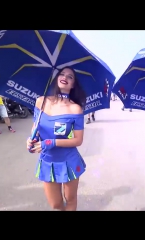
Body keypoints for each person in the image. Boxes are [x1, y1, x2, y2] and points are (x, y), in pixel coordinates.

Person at [27, 66, 86, 211]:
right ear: (56, 79)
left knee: (70, 200)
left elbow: (78, 140)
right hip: (47, 161)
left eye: (70, 76)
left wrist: (50, 142)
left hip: (69, 161)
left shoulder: (75, 109)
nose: (65, 77)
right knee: (56, 204)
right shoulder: (41, 102)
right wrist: (30, 139)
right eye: (62, 74)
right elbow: (35, 127)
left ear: (73, 85)